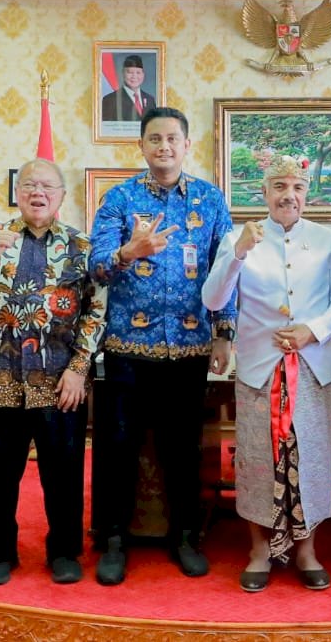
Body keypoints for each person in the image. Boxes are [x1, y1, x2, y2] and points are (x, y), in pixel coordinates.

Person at [89, 106, 237, 583]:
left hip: (189, 349)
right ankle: (114, 540)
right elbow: (96, 267)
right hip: (128, 348)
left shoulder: (210, 200)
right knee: (119, 448)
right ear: (142, 146)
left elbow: (226, 270)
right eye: (155, 139)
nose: (164, 147)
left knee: (183, 449)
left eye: (173, 138)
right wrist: (129, 252)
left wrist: (224, 332)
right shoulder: (119, 198)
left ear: (187, 145)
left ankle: (185, 537)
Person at [0, 158, 107, 587]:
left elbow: (97, 311)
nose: (38, 193)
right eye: (29, 185)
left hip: (60, 384)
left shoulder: (82, 246)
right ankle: (0, 554)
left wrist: (79, 368)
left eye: (47, 186)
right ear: (17, 193)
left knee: (64, 475)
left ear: (61, 196)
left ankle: (64, 552)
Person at [201, 156, 331, 592]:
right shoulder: (238, 237)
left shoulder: (327, 241)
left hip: (312, 367)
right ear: (263, 193)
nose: (289, 195)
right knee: (258, 458)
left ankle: (307, 550)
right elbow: (213, 300)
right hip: (259, 369)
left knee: (312, 457)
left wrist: (312, 330)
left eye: (297, 187)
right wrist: (238, 253)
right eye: (279, 186)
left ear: (307, 194)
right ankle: (259, 550)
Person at [101, 54, 157, 123]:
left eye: (138, 72)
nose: (134, 76)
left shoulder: (150, 100)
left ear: (143, 75)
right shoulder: (110, 100)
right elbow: (106, 127)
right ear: (123, 73)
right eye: (130, 72)